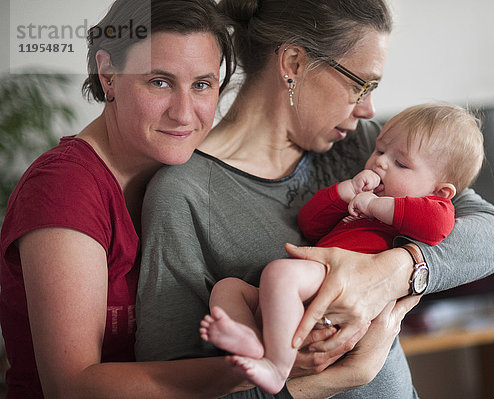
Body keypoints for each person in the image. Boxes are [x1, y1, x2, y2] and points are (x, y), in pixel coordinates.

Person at [1, 0, 416, 397]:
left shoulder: (166, 170)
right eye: (159, 82)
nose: (184, 113)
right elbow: (72, 389)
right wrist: (280, 364)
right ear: (107, 74)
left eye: (202, 85)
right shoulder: (66, 189)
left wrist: (402, 269)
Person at [136, 0, 494, 397]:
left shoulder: (367, 147)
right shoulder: (184, 193)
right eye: (360, 84)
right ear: (295, 64)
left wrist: (396, 271)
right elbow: (170, 383)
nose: (368, 108)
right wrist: (335, 378)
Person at [199, 103, 484, 394]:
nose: (380, 163)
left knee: (279, 274)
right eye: (380, 151)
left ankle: (276, 367)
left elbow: (437, 226)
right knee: (228, 288)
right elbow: (309, 224)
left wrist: (376, 206)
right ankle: (250, 341)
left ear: (440, 192)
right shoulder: (363, 194)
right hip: (312, 286)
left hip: (342, 289)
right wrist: (343, 193)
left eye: (401, 163)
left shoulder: (433, 207)